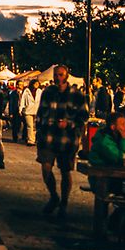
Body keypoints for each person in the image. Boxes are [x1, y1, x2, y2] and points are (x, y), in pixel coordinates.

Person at [36, 65, 89, 218]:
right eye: (56, 75)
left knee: (65, 171)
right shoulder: (48, 92)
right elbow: (40, 113)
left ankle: (64, 203)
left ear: (66, 76)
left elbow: (83, 117)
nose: (58, 78)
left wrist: (69, 124)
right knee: (46, 168)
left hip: (67, 139)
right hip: (48, 137)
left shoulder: (77, 95)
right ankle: (54, 196)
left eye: (60, 75)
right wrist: (39, 130)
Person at [19, 80, 42, 146]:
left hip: (36, 110)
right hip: (28, 110)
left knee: (34, 126)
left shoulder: (39, 91)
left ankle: (33, 139)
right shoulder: (26, 91)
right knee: (30, 126)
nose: (37, 85)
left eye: (38, 84)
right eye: (35, 84)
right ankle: (30, 140)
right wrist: (21, 109)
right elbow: (23, 100)